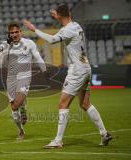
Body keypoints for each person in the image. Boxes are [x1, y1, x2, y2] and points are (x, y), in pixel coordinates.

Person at [23, 4, 112, 148]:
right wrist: (58, 15)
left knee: (63, 104)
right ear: (69, 14)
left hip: (76, 70)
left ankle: (58, 141)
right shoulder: (76, 25)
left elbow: (52, 40)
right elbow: (65, 19)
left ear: (59, 15)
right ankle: (104, 133)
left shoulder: (67, 29)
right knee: (85, 104)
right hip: (86, 67)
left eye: (57, 15)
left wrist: (35, 30)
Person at [0, 22, 47, 140]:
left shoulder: (29, 43)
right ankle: (21, 130)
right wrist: (7, 49)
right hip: (11, 78)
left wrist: (44, 70)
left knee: (17, 103)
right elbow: (2, 63)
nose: (14, 34)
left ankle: (23, 108)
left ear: (20, 32)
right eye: (12, 33)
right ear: (9, 34)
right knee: (14, 108)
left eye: (17, 32)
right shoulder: (5, 45)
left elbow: (38, 57)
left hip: (24, 77)